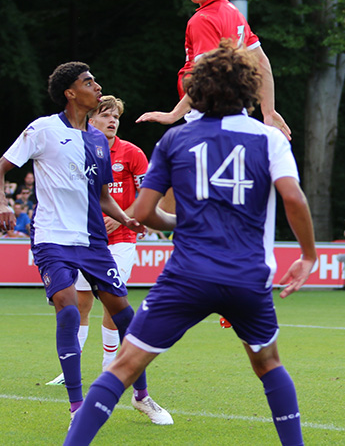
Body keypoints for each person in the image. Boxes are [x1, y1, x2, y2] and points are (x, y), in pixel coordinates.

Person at [64, 43, 317, 446]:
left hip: (188, 276)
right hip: (247, 276)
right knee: (269, 364)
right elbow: (293, 198)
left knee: (123, 367)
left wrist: (178, 221)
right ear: (250, 89)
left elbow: (146, 212)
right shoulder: (269, 139)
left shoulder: (174, 140)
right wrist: (307, 255)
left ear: (195, 91)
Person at [0, 62, 171, 428]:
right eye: (89, 82)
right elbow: (2, 166)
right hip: (52, 238)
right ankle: (78, 406)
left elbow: (103, 196)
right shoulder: (42, 129)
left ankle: (141, 395)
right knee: (67, 309)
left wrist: (126, 219)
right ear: (70, 93)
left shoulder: (96, 142)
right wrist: (2, 202)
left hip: (94, 242)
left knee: (127, 317)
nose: (97, 86)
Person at [136, 0, 290, 139]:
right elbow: (262, 62)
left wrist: (173, 115)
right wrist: (269, 111)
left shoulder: (203, 19)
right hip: (234, 114)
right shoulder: (235, 14)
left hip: (207, 117)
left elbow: (206, 77)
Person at [46, 96, 149, 386]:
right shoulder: (77, 149)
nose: (113, 120)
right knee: (81, 303)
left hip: (122, 239)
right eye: (106, 115)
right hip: (85, 240)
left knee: (112, 299)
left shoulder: (132, 153)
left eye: (116, 116)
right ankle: (71, 369)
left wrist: (121, 216)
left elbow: (148, 193)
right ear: (91, 120)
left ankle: (109, 363)